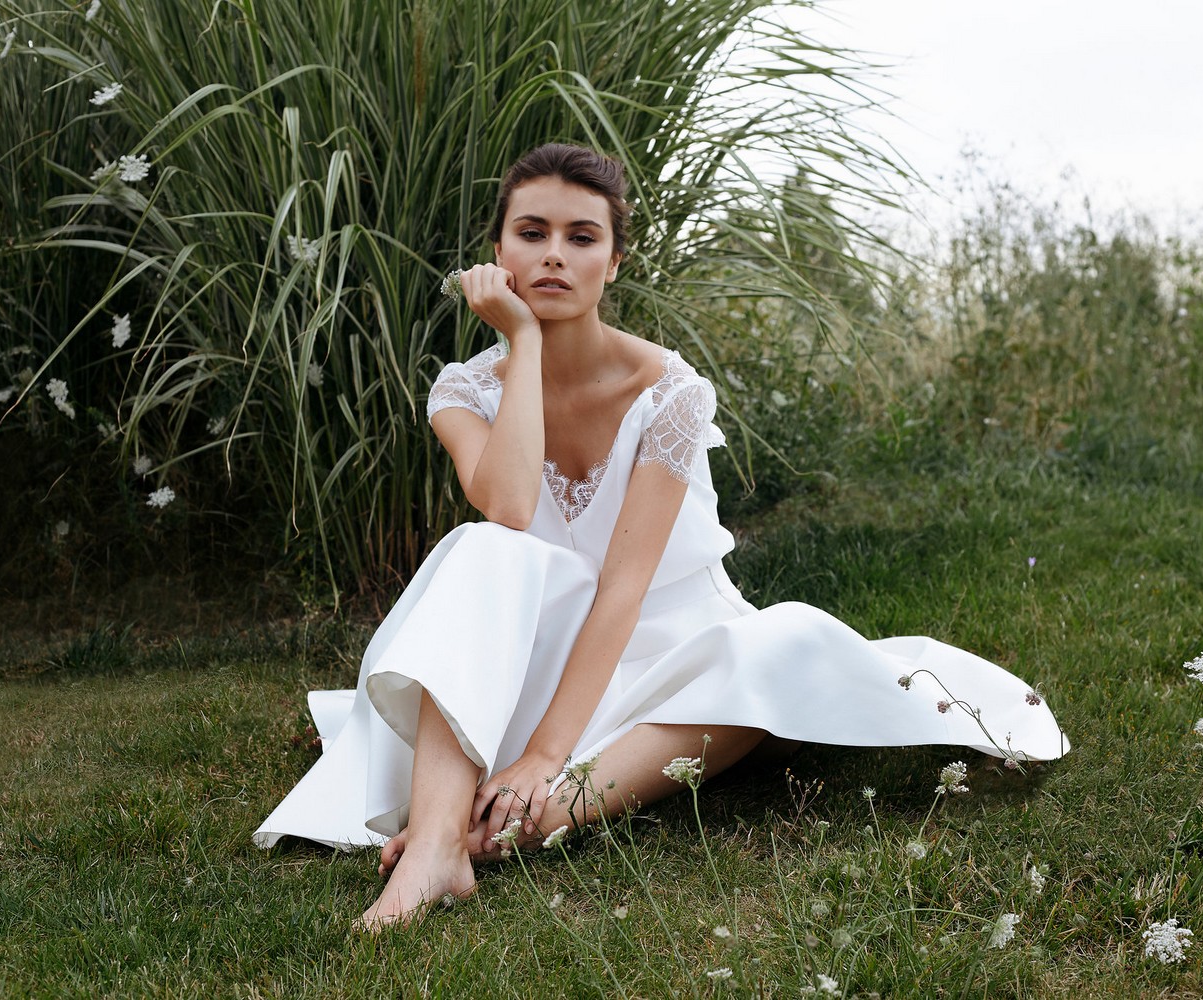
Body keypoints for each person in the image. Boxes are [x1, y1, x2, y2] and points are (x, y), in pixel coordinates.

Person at [253, 143, 1068, 929]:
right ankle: (436, 847)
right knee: (480, 546)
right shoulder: (464, 389)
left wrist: (543, 755)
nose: (554, 255)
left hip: (678, 652)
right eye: (532, 232)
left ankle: (529, 819)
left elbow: (624, 589)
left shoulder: (672, 391)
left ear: (614, 262)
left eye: (582, 237)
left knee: (782, 641)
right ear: (497, 254)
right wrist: (523, 342)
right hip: (536, 658)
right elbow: (507, 504)